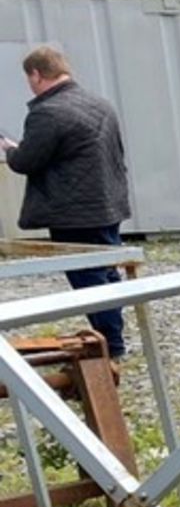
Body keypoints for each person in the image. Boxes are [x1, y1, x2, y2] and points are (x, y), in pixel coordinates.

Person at [0, 46, 132, 358]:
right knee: (106, 272)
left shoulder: (48, 112)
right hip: (107, 204)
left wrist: (9, 149)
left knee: (87, 278)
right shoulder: (100, 104)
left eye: (29, 78)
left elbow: (27, 161)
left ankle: (109, 344)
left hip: (73, 213)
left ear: (36, 74)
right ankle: (113, 337)